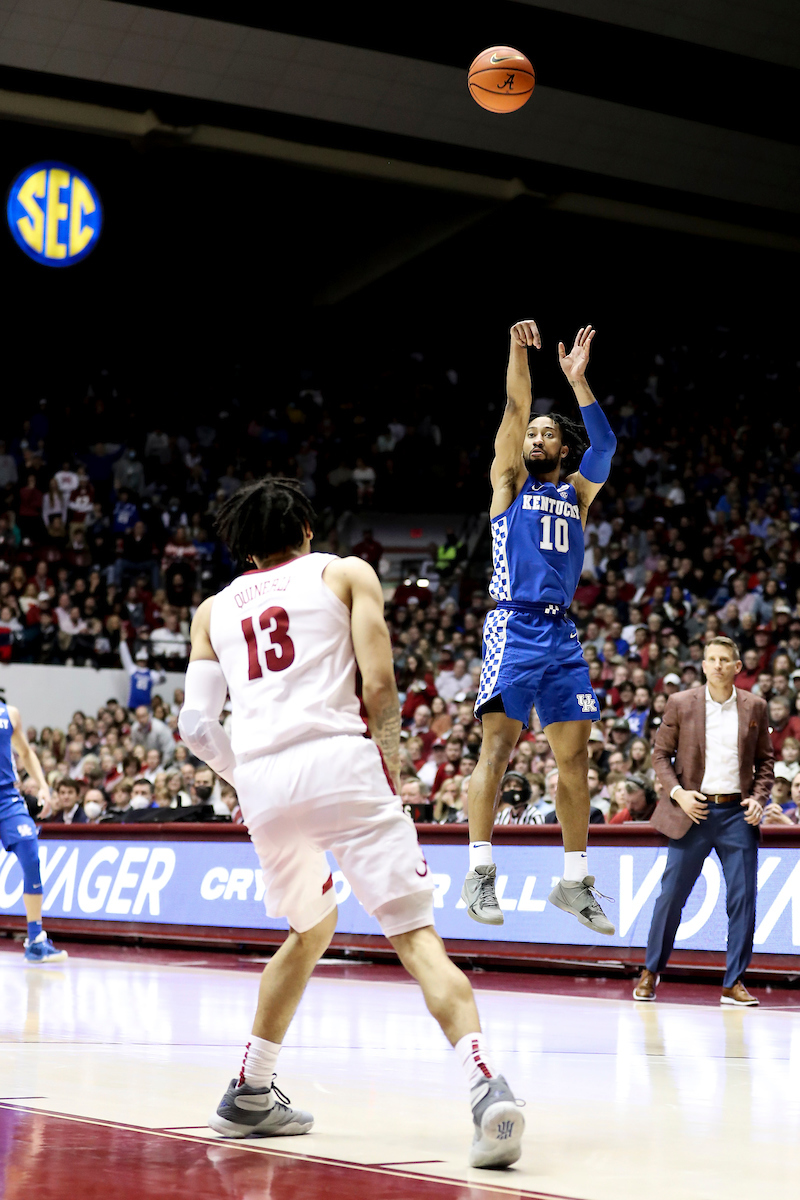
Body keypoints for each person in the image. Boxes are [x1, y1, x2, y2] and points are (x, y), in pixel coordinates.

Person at [177, 477, 524, 1168]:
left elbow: (194, 726)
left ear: (245, 550)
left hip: (267, 780)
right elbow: (380, 685)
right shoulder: (344, 571)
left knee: (310, 928)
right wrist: (389, 769)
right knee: (417, 941)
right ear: (307, 528)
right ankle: (487, 1090)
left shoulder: (211, 610)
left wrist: (246, 778)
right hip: (340, 760)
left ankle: (250, 1088)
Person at [464, 319, 616, 936]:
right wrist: (515, 350)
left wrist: (578, 382)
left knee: (574, 756)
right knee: (497, 749)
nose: (535, 435)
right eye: (531, 433)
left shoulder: (578, 492)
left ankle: (574, 881)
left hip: (562, 633)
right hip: (513, 624)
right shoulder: (509, 483)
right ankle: (479, 872)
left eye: (547, 433)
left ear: (561, 447)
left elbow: (604, 447)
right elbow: (516, 402)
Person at [634, 637, 773, 1007]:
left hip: (736, 816)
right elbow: (660, 754)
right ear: (704, 664)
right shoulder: (681, 702)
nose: (717, 665)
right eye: (711, 659)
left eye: (725, 660)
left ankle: (734, 982)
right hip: (691, 811)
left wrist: (759, 800)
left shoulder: (755, 705)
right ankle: (650, 971)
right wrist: (678, 793)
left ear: (737, 667)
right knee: (671, 897)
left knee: (743, 900)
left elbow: (766, 764)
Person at [0, 701, 67, 963]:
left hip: (7, 797)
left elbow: (25, 753)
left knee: (31, 856)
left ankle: (36, 940)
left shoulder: (9, 713)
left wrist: (43, 786)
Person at [119, 639, 166, 710]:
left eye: (143, 661)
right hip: (132, 705)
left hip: (146, 706)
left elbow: (162, 680)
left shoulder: (151, 673)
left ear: (146, 661)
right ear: (137, 661)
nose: (141, 663)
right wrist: (122, 642)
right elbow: (125, 656)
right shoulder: (132, 670)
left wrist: (161, 670)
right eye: (140, 661)